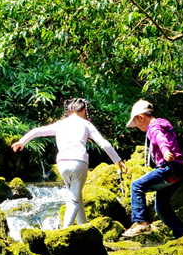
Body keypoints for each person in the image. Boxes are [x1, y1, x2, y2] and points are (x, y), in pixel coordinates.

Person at [11, 98, 127, 228]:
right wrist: (118, 161)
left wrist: (21, 142)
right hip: (79, 163)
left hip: (62, 164)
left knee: (75, 196)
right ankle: (64, 231)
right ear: (83, 110)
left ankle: (83, 226)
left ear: (68, 111)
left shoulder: (60, 124)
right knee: (73, 200)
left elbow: (37, 131)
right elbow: (104, 143)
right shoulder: (86, 124)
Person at [122, 99, 183, 239]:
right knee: (162, 208)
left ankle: (142, 223)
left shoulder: (153, 127)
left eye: (136, 124)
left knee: (136, 186)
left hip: (169, 167)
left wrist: (164, 151)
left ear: (141, 117)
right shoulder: (163, 125)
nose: (137, 127)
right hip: (179, 171)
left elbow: (160, 139)